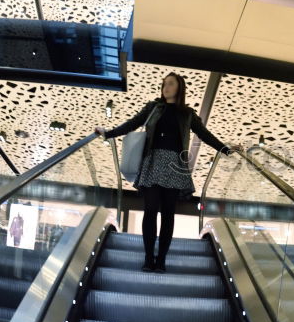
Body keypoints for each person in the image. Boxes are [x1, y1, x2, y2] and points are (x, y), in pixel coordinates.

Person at [97, 72, 236, 272]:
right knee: (151, 209)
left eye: (170, 84)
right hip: (152, 161)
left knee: (168, 214)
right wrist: (108, 133)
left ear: (179, 87)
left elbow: (204, 134)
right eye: (164, 84)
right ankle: (148, 258)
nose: (166, 87)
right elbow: (133, 123)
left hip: (174, 164)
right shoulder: (154, 107)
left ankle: (161, 260)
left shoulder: (187, 114)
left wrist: (226, 149)